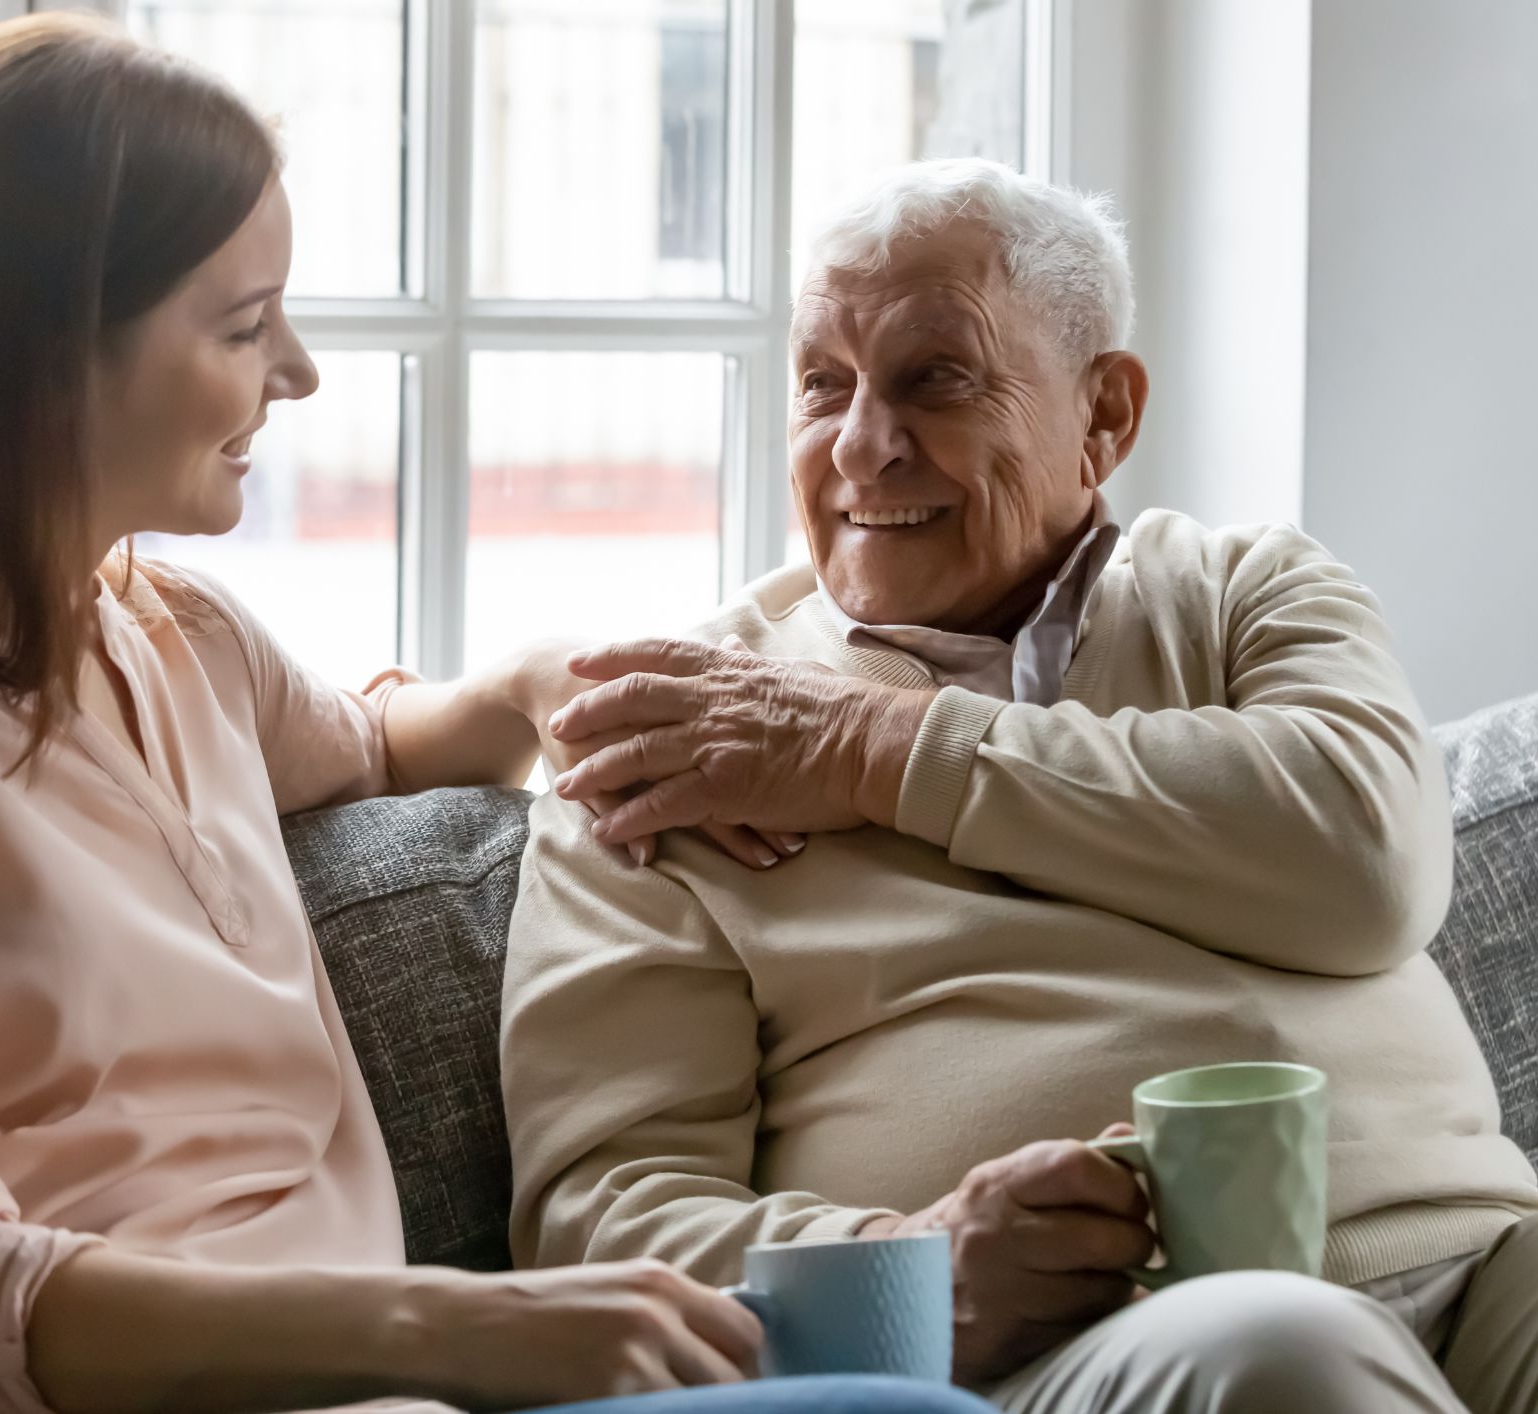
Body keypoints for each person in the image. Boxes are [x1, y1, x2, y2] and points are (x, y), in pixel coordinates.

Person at [0, 17, 989, 1414]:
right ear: (44, 347)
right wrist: (450, 1325)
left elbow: (384, 743)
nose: (298, 372)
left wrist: (550, 681)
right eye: (242, 324)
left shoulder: (180, 640)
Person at [501, 158, 1538, 1413]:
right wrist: (914, 1266)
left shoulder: (1247, 590)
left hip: (1485, 1268)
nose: (861, 447)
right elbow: (601, 1220)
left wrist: (874, 750)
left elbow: (1366, 861)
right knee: (1278, 1348)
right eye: (821, 385)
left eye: (932, 379)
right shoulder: (677, 742)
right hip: (1099, 1347)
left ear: (1103, 415)